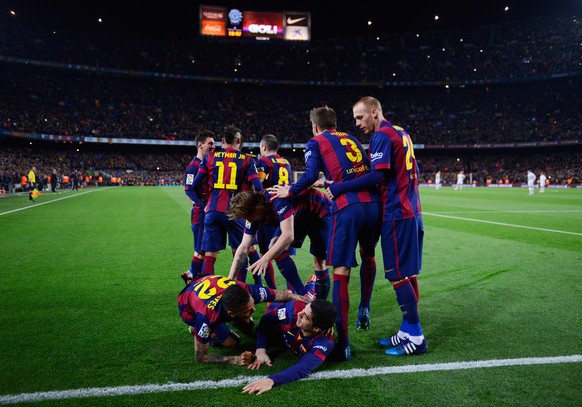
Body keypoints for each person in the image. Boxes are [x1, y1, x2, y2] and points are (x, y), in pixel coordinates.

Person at [270, 106, 380, 360]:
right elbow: (359, 171)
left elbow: (309, 175)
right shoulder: (352, 138)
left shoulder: (315, 141)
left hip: (348, 208)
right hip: (374, 207)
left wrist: (290, 191)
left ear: (315, 126)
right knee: (369, 255)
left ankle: (344, 345)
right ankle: (365, 304)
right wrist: (328, 181)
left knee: (341, 274)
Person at [329, 96, 426, 356]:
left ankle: (416, 336)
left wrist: (338, 186)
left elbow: (376, 175)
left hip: (396, 211)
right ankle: (407, 329)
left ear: (374, 112)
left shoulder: (381, 136)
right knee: (408, 272)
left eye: (360, 118)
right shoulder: (400, 132)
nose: (358, 123)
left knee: (396, 274)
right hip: (412, 210)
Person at [227, 188, 332, 300]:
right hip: (297, 216)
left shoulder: (277, 200)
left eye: (248, 217)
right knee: (275, 247)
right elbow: (243, 247)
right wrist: (229, 280)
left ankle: (321, 303)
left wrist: (265, 259)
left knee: (320, 262)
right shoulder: (254, 213)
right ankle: (304, 296)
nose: (248, 220)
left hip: (319, 211)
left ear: (258, 208)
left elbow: (288, 236)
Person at [177, 274, 307, 364]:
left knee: (248, 324)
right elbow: (200, 357)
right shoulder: (206, 317)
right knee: (232, 342)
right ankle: (195, 329)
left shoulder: (247, 290)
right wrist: (235, 360)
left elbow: (282, 295)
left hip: (206, 281)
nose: (254, 310)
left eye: (252, 305)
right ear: (231, 313)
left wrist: (301, 299)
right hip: (188, 305)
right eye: (248, 310)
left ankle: (238, 320)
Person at [189, 126, 264, 278]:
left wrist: (204, 201)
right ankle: (239, 287)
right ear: (238, 140)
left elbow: (194, 185)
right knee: (239, 252)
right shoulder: (247, 159)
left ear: (223, 140)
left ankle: (208, 292)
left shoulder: (210, 157)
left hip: (213, 210)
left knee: (209, 255)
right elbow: (258, 186)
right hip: (235, 210)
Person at [242, 298, 337, 395]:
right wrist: (260, 350)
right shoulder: (292, 310)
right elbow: (266, 321)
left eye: (305, 317)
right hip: (281, 318)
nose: (299, 314)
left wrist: (272, 380)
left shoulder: (324, 342)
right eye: (304, 309)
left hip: (290, 337)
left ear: (316, 329)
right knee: (261, 334)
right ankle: (276, 303)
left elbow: (303, 367)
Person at [254, 134, 294, 290]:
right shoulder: (286, 162)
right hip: (287, 212)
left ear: (264, 147)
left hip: (270, 213)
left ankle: (272, 292)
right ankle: (292, 291)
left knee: (266, 254)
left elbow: (258, 184)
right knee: (285, 253)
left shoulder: (263, 162)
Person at [183, 130, 216, 281]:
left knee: (207, 249)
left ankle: (199, 279)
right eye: (210, 143)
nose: (213, 146)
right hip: (200, 214)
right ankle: (193, 280)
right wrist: (203, 205)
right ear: (200, 145)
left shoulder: (209, 164)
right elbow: (188, 190)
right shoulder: (193, 167)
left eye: (214, 143)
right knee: (201, 251)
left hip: (207, 212)